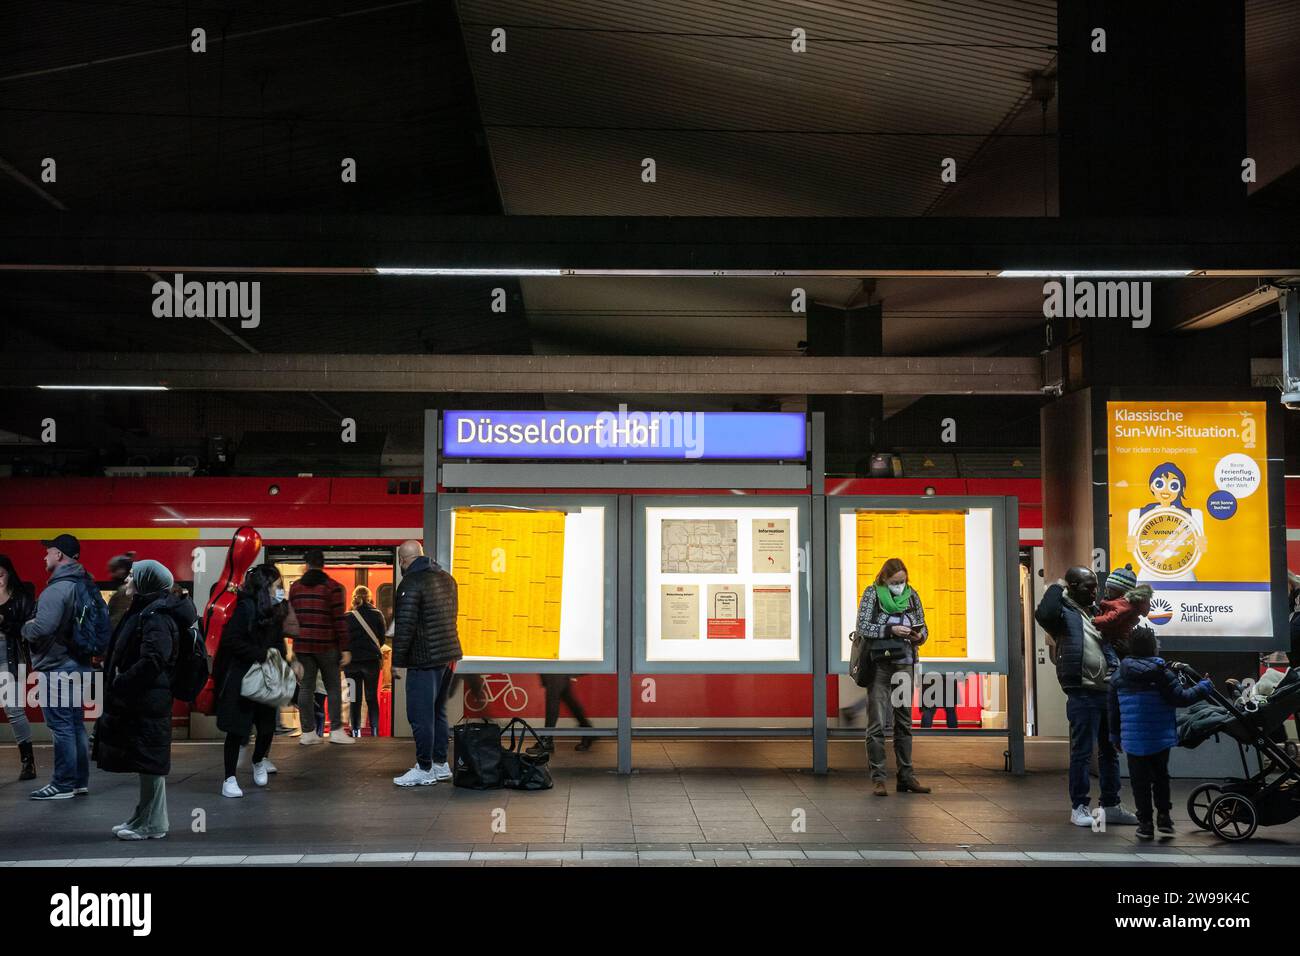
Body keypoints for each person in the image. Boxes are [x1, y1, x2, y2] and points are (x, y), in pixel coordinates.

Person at [93, 559, 196, 840]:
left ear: (146, 582)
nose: (127, 581)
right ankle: (143, 816)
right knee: (146, 763)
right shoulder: (147, 611)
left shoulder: (156, 616)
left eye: (132, 577)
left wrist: (121, 680)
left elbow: (154, 659)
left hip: (147, 699)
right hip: (144, 699)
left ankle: (154, 824)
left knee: (151, 764)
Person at [1035, 565, 1138, 827]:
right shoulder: (1063, 613)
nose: (1095, 591)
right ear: (1071, 587)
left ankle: (1111, 805)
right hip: (1082, 691)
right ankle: (1079, 806)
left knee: (1109, 751)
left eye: (1095, 586)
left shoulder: (1096, 611)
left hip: (1107, 691)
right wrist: (1057, 584)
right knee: (1081, 751)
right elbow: (1043, 612)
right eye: (1088, 586)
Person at [1107, 629, 1214, 839]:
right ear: (1152, 647)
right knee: (1161, 778)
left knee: (1139, 782)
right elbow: (1181, 698)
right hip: (1158, 737)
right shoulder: (1161, 672)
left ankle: (1145, 823)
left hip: (1133, 739)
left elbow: (1113, 709)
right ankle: (1164, 817)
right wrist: (1204, 687)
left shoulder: (1120, 674)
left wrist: (1115, 736)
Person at [214, 564, 299, 798]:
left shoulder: (275, 610)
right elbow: (232, 641)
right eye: (276, 586)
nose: (280, 590)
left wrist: (286, 663)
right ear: (265, 588)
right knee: (237, 729)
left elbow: (279, 642)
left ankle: (258, 759)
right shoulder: (245, 608)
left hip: (268, 677)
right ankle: (229, 778)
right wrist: (260, 654)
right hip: (243, 677)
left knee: (267, 727)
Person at [22, 533, 96, 800]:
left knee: (61, 726)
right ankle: (78, 781)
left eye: (48, 551)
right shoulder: (84, 584)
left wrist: (25, 627)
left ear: (59, 555)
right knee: (75, 724)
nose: (44, 556)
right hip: (79, 665)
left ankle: (62, 784)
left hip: (57, 667)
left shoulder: (57, 588)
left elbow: (43, 628)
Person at [855, 557, 931, 796]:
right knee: (876, 722)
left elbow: (924, 628)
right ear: (884, 579)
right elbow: (862, 626)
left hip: (904, 665)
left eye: (903, 581)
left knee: (904, 722)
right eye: (895, 582)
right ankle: (878, 778)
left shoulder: (912, 596)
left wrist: (919, 636)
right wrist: (890, 629)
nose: (900, 585)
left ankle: (906, 776)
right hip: (880, 666)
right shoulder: (872, 594)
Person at [391, 540, 462, 787]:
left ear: (403, 560)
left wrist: (396, 662)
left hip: (424, 658)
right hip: (448, 655)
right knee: (437, 711)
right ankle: (441, 764)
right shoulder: (447, 578)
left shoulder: (410, 583)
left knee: (420, 714)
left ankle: (424, 767)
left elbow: (405, 626)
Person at [288, 549, 352, 745]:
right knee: (333, 687)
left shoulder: (296, 588)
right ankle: (336, 731)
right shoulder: (332, 587)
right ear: (323, 564)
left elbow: (292, 618)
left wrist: (293, 647)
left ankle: (307, 733)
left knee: (306, 687)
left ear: (306, 565)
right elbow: (339, 620)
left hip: (303, 646)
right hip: (327, 645)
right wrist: (345, 648)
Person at [0, 555, 37, 780]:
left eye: (0, 575)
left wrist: (4, 622)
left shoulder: (21, 598)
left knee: (13, 710)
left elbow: (28, 632)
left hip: (9, 658)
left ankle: (28, 762)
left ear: (9, 574)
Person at [345, 585, 386, 738]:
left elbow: (342, 641)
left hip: (352, 664)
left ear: (354, 597)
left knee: (354, 699)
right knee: (371, 698)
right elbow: (381, 640)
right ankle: (375, 732)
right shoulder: (377, 614)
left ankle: (356, 732)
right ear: (370, 598)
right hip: (371, 663)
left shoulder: (347, 617)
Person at [1093, 564, 1152, 660]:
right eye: (1107, 588)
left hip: (1116, 639)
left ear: (1121, 592)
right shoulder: (1115, 601)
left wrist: (1095, 620)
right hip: (1115, 637)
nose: (1107, 591)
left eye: (1111, 589)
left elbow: (1112, 618)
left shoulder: (1123, 605)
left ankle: (1113, 667)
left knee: (1111, 656)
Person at [531, 675, 595, 754]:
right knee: (568, 699)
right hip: (557, 669)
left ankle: (547, 740)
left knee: (553, 701)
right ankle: (588, 730)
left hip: (554, 670)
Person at [106, 552, 135, 630]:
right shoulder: (130, 588)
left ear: (122, 570)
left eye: (114, 570)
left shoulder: (124, 591)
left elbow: (116, 619)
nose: (111, 575)